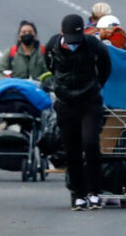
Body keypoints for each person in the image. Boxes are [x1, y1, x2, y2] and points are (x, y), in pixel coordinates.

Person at [44, 14, 112, 211]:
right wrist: (60, 87)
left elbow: (105, 66)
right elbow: (49, 65)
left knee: (90, 143)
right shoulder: (52, 46)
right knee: (72, 149)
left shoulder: (93, 45)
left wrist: (96, 86)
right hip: (66, 103)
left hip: (90, 101)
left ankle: (95, 192)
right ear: (61, 32)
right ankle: (79, 194)